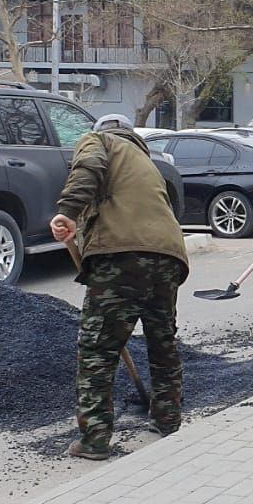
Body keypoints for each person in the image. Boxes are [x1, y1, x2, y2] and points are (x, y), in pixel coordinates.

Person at [49, 113, 190, 460]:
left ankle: (95, 439)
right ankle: (168, 418)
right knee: (162, 342)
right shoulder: (148, 163)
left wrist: (68, 211)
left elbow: (87, 170)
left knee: (98, 348)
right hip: (169, 257)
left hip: (121, 257)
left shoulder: (99, 141)